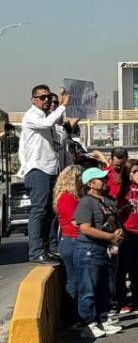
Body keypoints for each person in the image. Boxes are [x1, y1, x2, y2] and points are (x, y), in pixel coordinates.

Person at [18, 85, 75, 264]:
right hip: (38, 168)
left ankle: (49, 248)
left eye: (48, 97)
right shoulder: (31, 116)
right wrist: (63, 105)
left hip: (51, 169)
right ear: (33, 99)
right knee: (39, 210)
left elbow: (60, 130)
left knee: (51, 211)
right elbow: (47, 123)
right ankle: (36, 252)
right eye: (42, 97)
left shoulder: (46, 117)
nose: (46, 100)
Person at [74, 166, 124, 339]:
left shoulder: (108, 200)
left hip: (106, 250)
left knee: (106, 287)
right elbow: (85, 228)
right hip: (90, 250)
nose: (104, 181)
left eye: (104, 178)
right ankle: (89, 323)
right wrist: (110, 236)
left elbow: (115, 221)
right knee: (89, 288)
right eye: (100, 179)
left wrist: (118, 232)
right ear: (90, 183)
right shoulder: (86, 202)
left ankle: (103, 318)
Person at [114, 158, 138, 315]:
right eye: (133, 172)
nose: (136, 174)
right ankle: (122, 301)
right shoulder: (121, 188)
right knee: (123, 268)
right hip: (125, 232)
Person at [54, 166, 85, 303]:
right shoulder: (67, 198)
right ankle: (72, 316)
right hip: (72, 241)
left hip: (74, 241)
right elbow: (76, 222)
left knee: (78, 280)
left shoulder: (72, 197)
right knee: (74, 280)